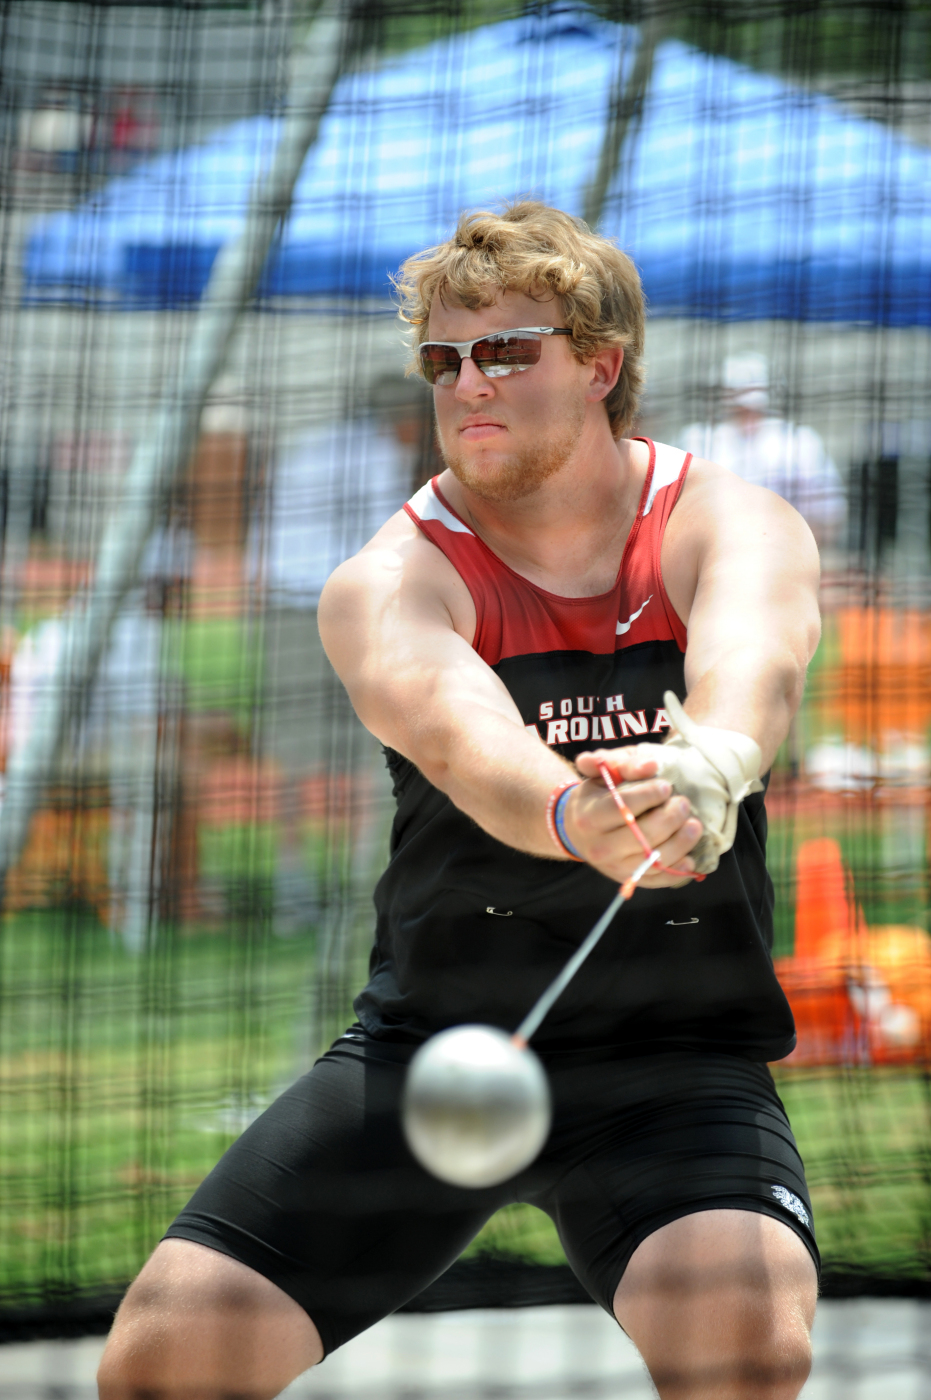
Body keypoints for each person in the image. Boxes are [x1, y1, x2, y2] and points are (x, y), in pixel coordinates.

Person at [97, 203, 821, 1400]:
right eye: (444, 357)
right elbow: (457, 732)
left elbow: (758, 647)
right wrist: (566, 810)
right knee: (165, 1359)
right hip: (439, 1040)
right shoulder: (389, 573)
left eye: (505, 350)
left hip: (675, 1052)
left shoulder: (722, 516)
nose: (466, 382)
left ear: (600, 364)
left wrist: (717, 757)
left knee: (743, 1337)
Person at [677, 352, 847, 550]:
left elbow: (829, 516)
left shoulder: (800, 440)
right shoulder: (697, 438)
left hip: (786, 551)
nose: (747, 414)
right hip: (714, 549)